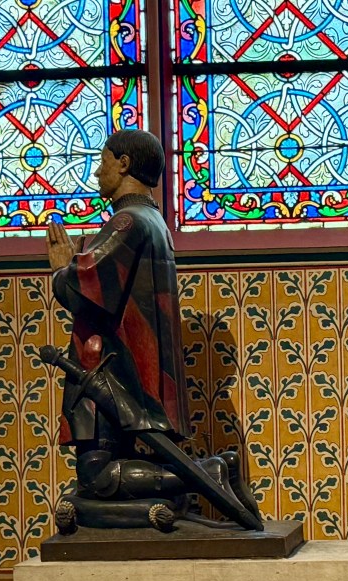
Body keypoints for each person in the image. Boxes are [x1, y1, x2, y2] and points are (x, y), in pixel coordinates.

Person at [47, 130, 259, 533]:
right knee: (104, 478)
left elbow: (86, 289)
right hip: (133, 366)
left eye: (103, 162)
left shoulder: (127, 221)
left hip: (109, 371)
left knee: (96, 477)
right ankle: (188, 488)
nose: (97, 173)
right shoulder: (154, 222)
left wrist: (61, 268)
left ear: (124, 163)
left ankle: (210, 470)